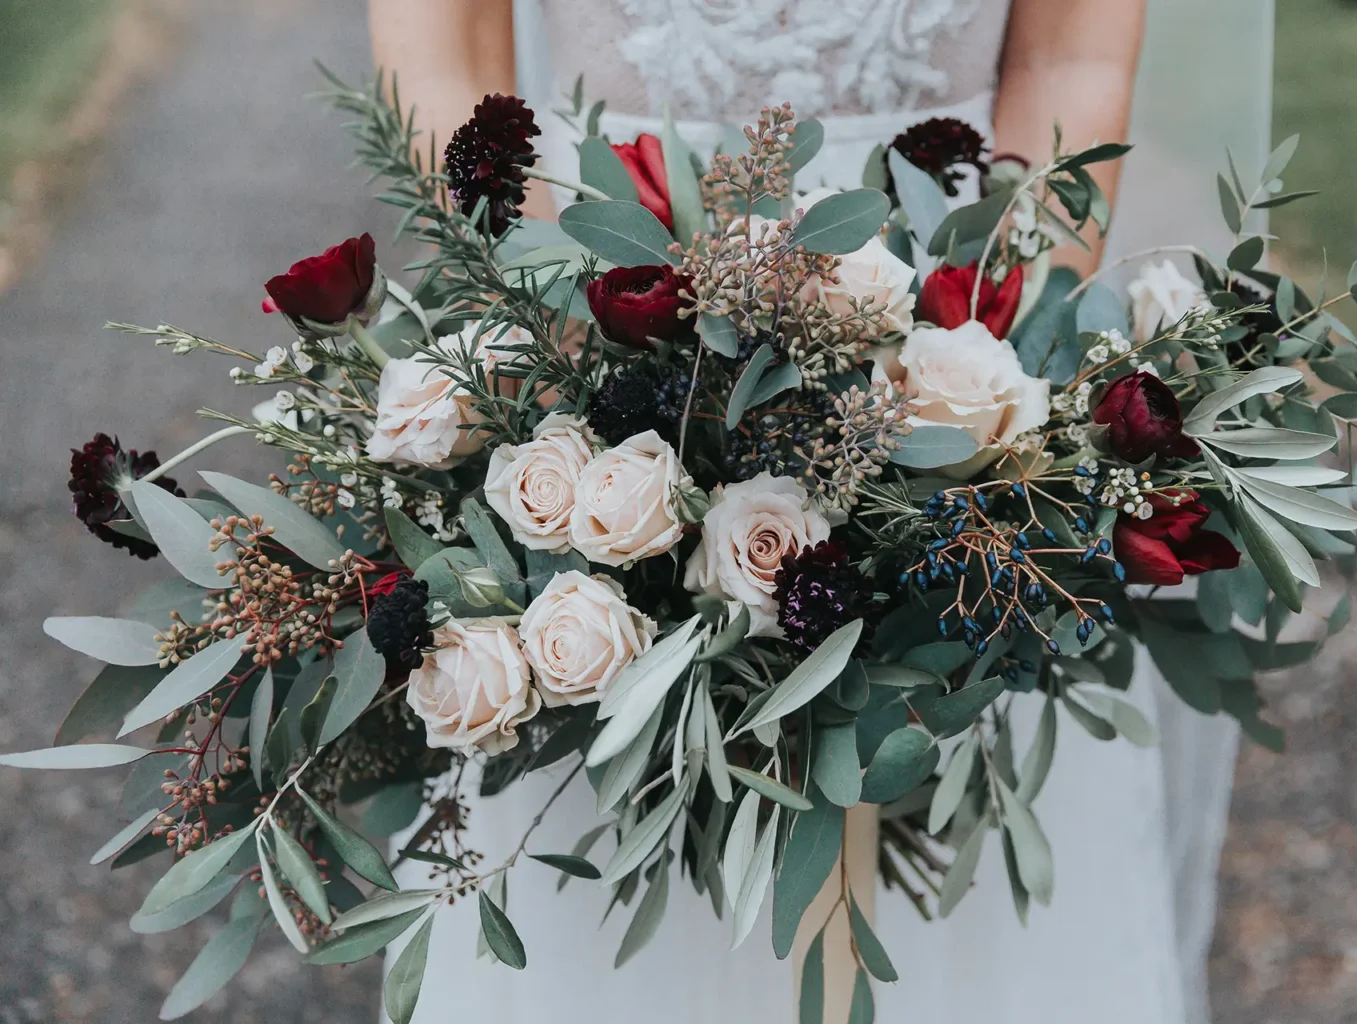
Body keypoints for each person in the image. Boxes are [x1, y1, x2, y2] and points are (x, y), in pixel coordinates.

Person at [367, 2, 1273, 1020]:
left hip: (949, 373)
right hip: (607, 357)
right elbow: (444, 56)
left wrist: (982, 399)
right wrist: (549, 365)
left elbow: (1073, 53)